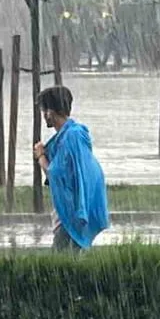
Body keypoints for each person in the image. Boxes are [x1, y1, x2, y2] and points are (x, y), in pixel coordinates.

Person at [32, 86, 110, 251]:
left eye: (44, 110)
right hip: (77, 208)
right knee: (70, 260)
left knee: (58, 263)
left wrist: (41, 157)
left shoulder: (71, 137)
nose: (44, 115)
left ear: (50, 112)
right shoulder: (71, 135)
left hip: (73, 212)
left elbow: (56, 174)